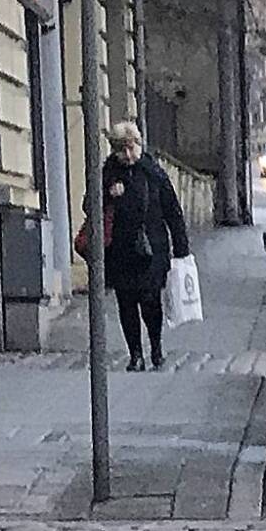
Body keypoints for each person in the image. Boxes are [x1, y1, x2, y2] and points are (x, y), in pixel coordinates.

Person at [98, 120, 190, 371]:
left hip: (153, 249)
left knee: (151, 301)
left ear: (139, 145)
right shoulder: (108, 173)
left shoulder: (153, 171)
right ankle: (135, 354)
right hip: (121, 250)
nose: (128, 156)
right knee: (126, 303)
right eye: (122, 150)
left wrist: (182, 249)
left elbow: (173, 211)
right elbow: (89, 206)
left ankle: (156, 347)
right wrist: (108, 194)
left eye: (131, 149)